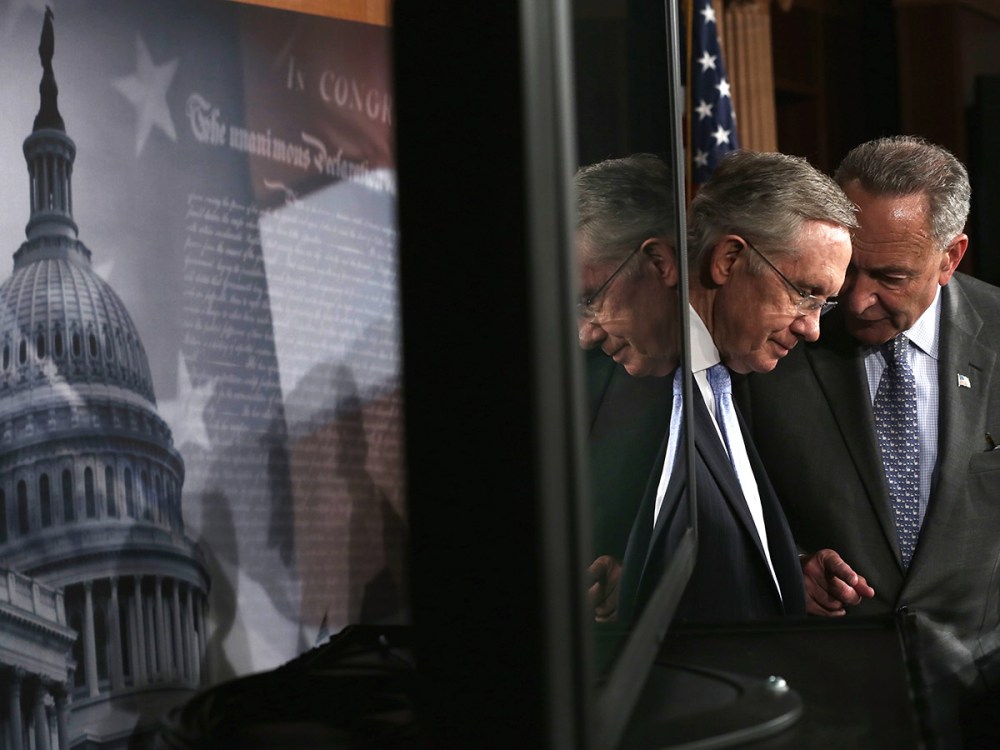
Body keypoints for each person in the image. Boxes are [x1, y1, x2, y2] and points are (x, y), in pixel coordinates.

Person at [736, 135, 1000, 748]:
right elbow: (731, 495)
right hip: (827, 708)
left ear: (951, 257)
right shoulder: (776, 338)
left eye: (891, 276)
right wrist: (789, 565)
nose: (855, 300)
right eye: (850, 265)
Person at [577, 150, 857, 624]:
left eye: (823, 303)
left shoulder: (733, 377)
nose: (812, 329)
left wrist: (783, 567)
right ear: (729, 259)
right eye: (805, 292)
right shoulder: (642, 376)